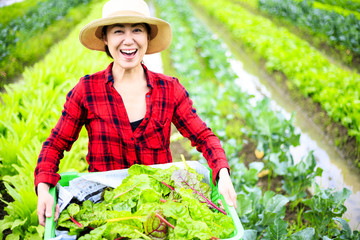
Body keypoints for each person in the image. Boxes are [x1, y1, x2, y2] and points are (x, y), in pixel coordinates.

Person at [35, 0, 237, 227]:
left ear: (148, 38)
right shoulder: (86, 91)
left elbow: (204, 136)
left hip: (160, 212)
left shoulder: (169, 89)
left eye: (137, 30)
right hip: (106, 212)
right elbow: (55, 144)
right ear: (105, 38)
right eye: (118, 31)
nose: (128, 40)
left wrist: (222, 174)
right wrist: (44, 187)